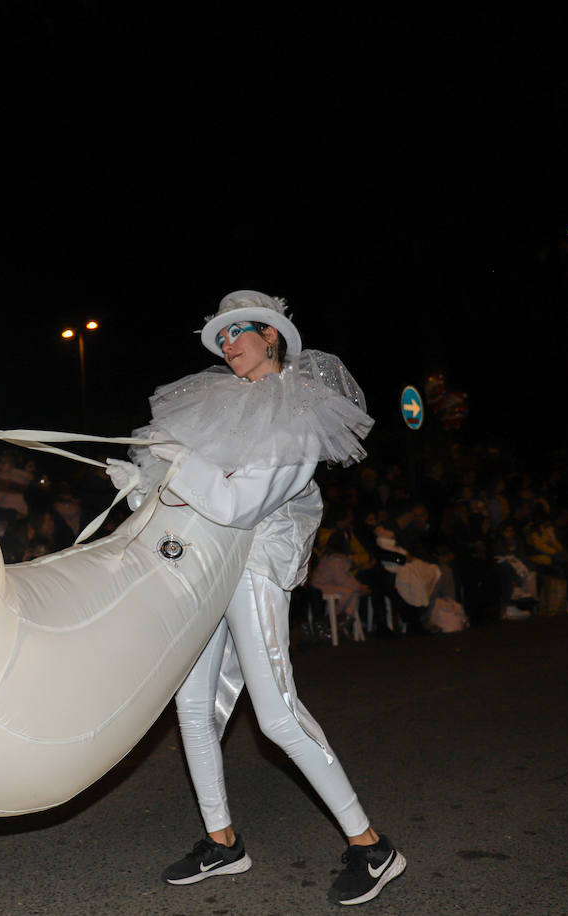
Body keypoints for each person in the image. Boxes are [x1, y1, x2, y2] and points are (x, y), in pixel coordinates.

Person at [114, 291, 403, 906]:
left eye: (237, 331)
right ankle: (222, 842)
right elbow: (192, 498)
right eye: (220, 337)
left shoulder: (296, 412)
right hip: (209, 564)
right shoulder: (219, 405)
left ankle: (373, 846)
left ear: (271, 335)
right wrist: (143, 484)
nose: (227, 345)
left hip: (254, 567)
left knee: (276, 714)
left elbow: (236, 505)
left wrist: (177, 461)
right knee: (192, 707)